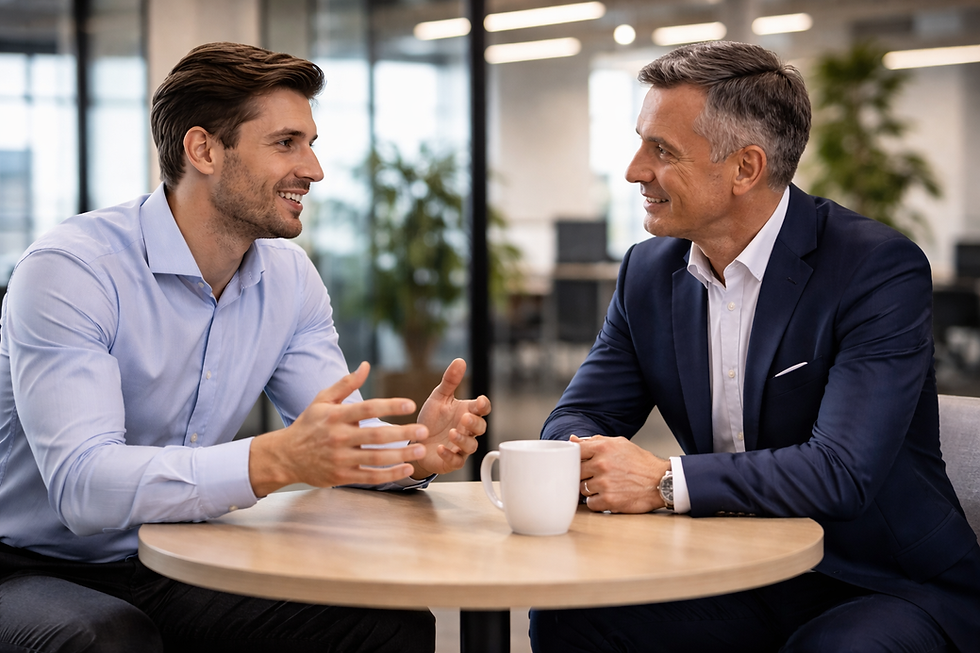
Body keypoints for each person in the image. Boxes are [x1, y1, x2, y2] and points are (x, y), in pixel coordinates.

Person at [0, 42, 490, 653]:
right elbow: (83, 486)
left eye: (310, 143)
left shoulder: (289, 278)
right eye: (286, 143)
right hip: (28, 564)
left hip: (180, 554)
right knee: (106, 639)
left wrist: (410, 452)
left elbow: (330, 438)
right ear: (203, 149)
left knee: (387, 625)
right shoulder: (74, 270)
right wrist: (275, 460)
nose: (313, 169)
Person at [531, 41, 980, 653]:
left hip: (881, 581)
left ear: (745, 168)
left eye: (661, 150)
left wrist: (666, 481)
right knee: (568, 617)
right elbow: (576, 416)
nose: (635, 170)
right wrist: (583, 453)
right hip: (737, 569)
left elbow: (840, 473)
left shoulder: (875, 269)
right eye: (641, 142)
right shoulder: (647, 271)